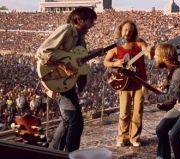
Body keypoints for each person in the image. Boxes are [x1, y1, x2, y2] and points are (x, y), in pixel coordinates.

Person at [36, 7, 97, 152]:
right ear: (79, 20)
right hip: (57, 78)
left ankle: (53, 151)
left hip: (67, 82)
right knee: (76, 122)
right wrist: (63, 65)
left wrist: (94, 54)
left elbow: (77, 60)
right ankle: (71, 154)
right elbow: (42, 52)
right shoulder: (67, 30)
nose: (92, 25)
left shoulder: (81, 38)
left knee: (67, 121)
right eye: (90, 21)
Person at [103, 20, 148, 147]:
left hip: (140, 80)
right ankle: (122, 137)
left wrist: (147, 50)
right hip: (125, 82)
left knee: (138, 110)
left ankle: (134, 137)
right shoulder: (117, 45)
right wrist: (115, 63)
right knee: (124, 111)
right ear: (121, 30)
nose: (128, 33)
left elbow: (146, 50)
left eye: (130, 30)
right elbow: (106, 62)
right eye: (125, 30)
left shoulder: (138, 42)